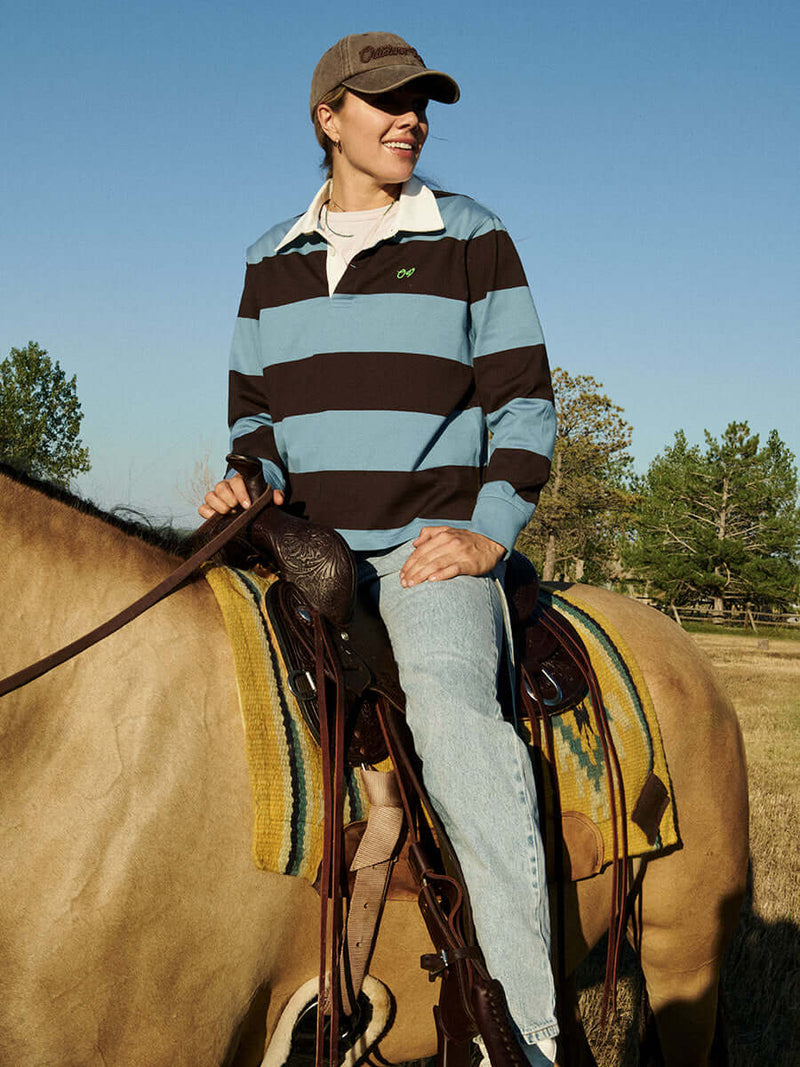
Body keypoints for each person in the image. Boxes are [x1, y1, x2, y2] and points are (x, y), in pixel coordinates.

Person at [199, 32, 559, 1065]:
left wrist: (487, 535)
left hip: (420, 554)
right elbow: (254, 418)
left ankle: (521, 1030)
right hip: (302, 552)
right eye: (385, 101)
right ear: (329, 117)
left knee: (451, 723)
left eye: (419, 103)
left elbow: (524, 403)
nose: (411, 118)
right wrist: (246, 480)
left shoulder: (468, 234)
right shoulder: (270, 258)